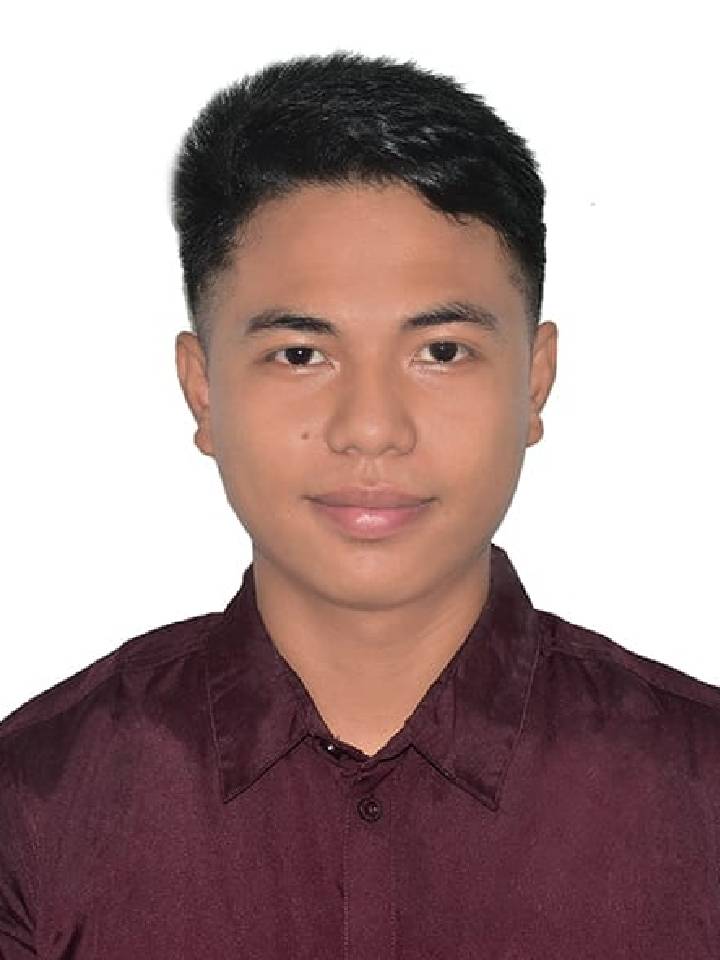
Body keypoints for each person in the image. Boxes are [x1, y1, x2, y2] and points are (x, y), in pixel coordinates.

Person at [1, 50, 718, 959]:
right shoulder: (33, 807)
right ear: (203, 390)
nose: (372, 429)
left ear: (534, 382)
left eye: (441, 351)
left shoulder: (702, 798)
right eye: (301, 354)